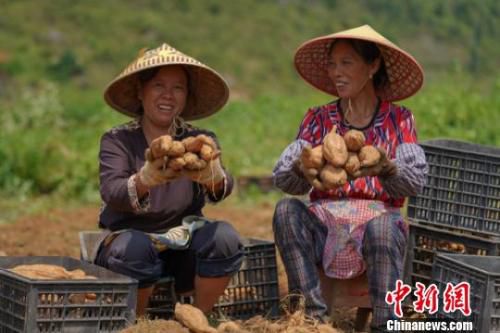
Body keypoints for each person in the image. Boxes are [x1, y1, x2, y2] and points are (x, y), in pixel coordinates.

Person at [272, 25, 428, 332]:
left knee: (385, 226)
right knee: (286, 211)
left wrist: (387, 168)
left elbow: (415, 183)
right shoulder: (317, 119)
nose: (336, 73)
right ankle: (312, 319)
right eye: (332, 64)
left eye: (346, 63)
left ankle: (386, 323)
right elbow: (283, 178)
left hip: (376, 230)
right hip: (323, 228)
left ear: (372, 66)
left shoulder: (399, 120)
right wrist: (300, 169)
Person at [94, 43, 243, 317]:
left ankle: (198, 316)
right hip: (129, 245)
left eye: (178, 88)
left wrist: (215, 177)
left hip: (183, 242)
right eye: (158, 86)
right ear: (141, 91)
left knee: (224, 237)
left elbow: (223, 188)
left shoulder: (198, 139)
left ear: (186, 96)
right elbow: (111, 190)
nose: (168, 96)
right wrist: (144, 180)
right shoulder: (117, 140)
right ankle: (137, 321)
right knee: (134, 248)